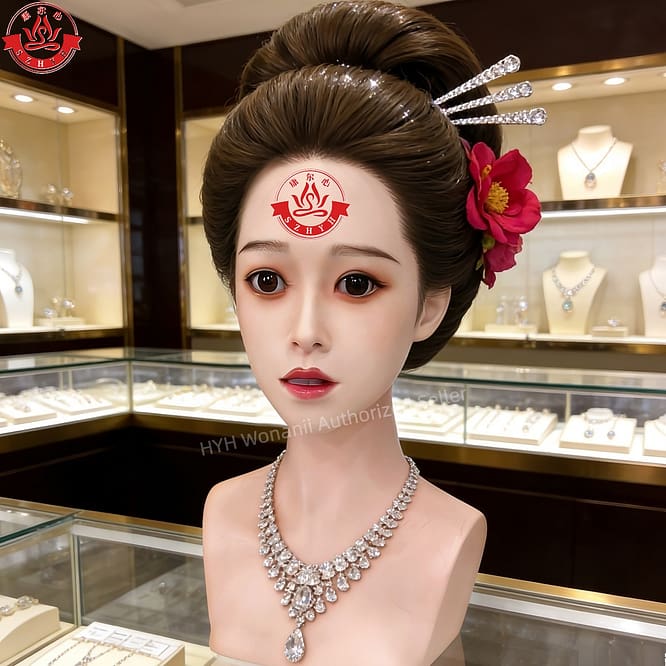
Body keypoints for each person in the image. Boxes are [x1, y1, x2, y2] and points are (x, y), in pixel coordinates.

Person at [201, 2, 543, 664]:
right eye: (267, 280)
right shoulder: (221, 511)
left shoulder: (448, 539)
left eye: (357, 283)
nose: (305, 332)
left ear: (430, 305)